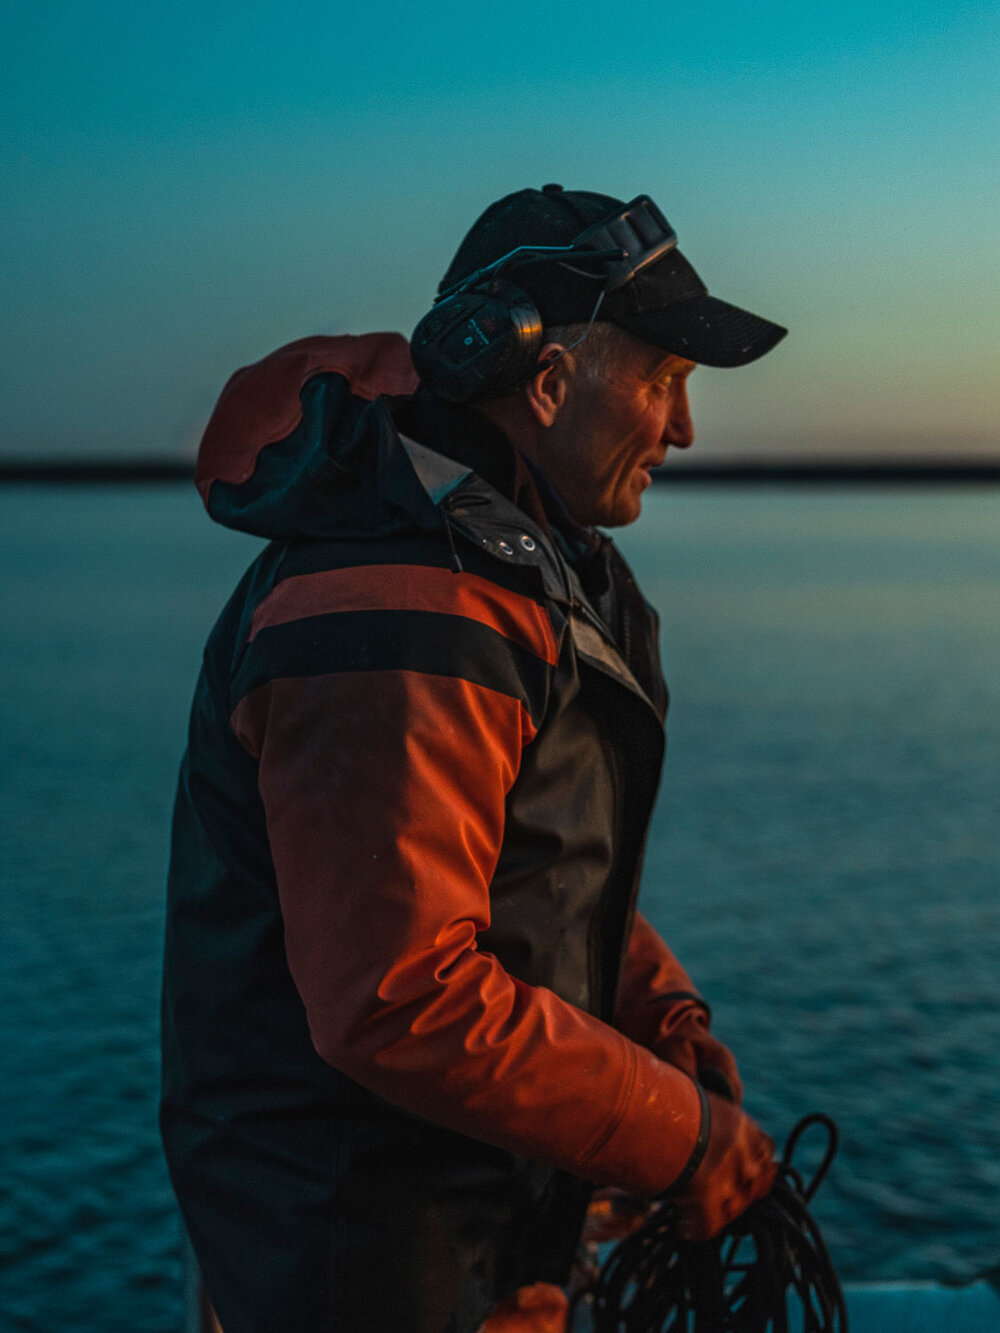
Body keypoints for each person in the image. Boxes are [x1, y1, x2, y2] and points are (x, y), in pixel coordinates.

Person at [160, 184, 788, 1333]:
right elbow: (400, 996)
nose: (682, 429)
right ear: (546, 384)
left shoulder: (518, 563)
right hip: (362, 1256)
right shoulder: (401, 607)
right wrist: (682, 1137)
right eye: (659, 381)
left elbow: (517, 860)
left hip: (473, 1224)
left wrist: (659, 1011)